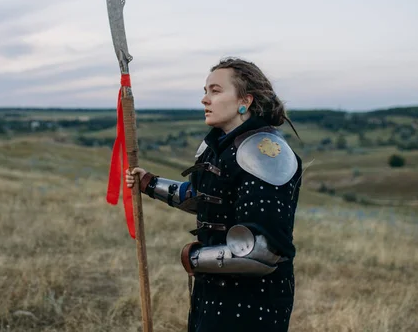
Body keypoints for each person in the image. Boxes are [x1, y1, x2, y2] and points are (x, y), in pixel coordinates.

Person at [126, 57, 303, 332]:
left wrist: (195, 258)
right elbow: (202, 196)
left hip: (253, 300)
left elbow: (262, 251)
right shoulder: (219, 146)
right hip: (213, 288)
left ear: (245, 100)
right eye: (206, 90)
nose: (204, 99)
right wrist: (150, 183)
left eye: (215, 91)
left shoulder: (263, 152)